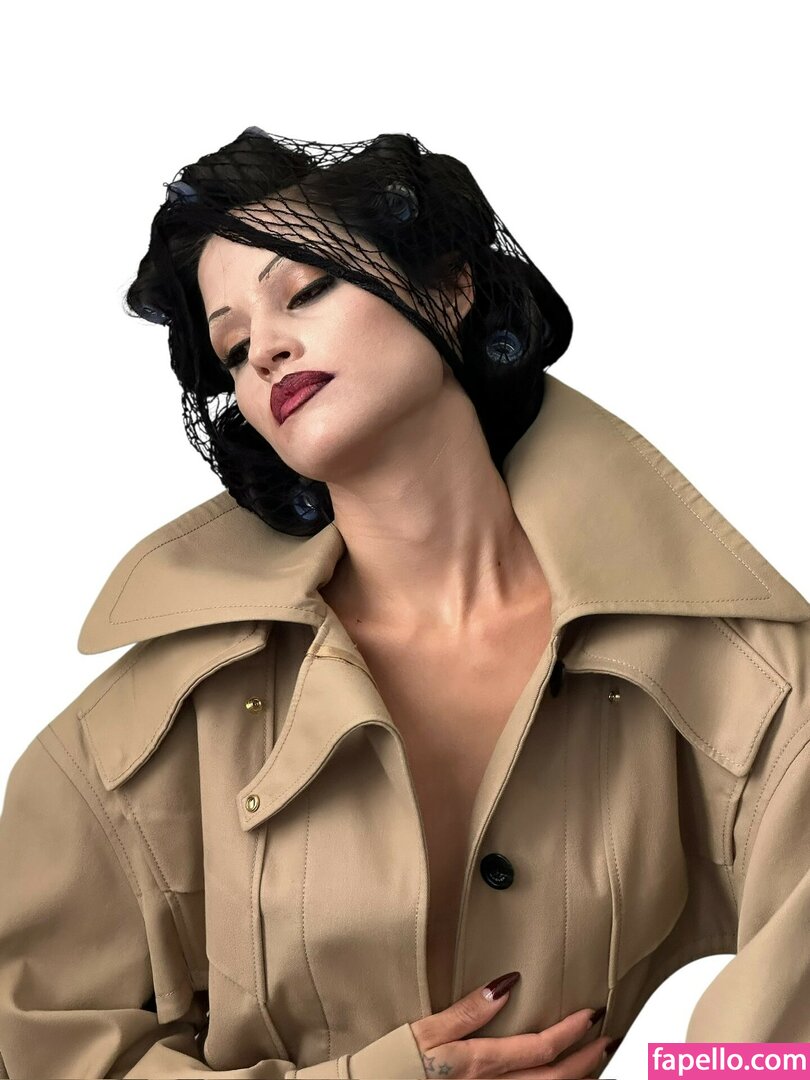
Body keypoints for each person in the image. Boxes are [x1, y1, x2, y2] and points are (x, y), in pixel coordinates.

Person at [0, 127, 808, 1079]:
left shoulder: (743, 674)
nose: (267, 349)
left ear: (449, 288)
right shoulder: (144, 726)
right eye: (233, 347)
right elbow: (39, 1044)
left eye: (305, 290)